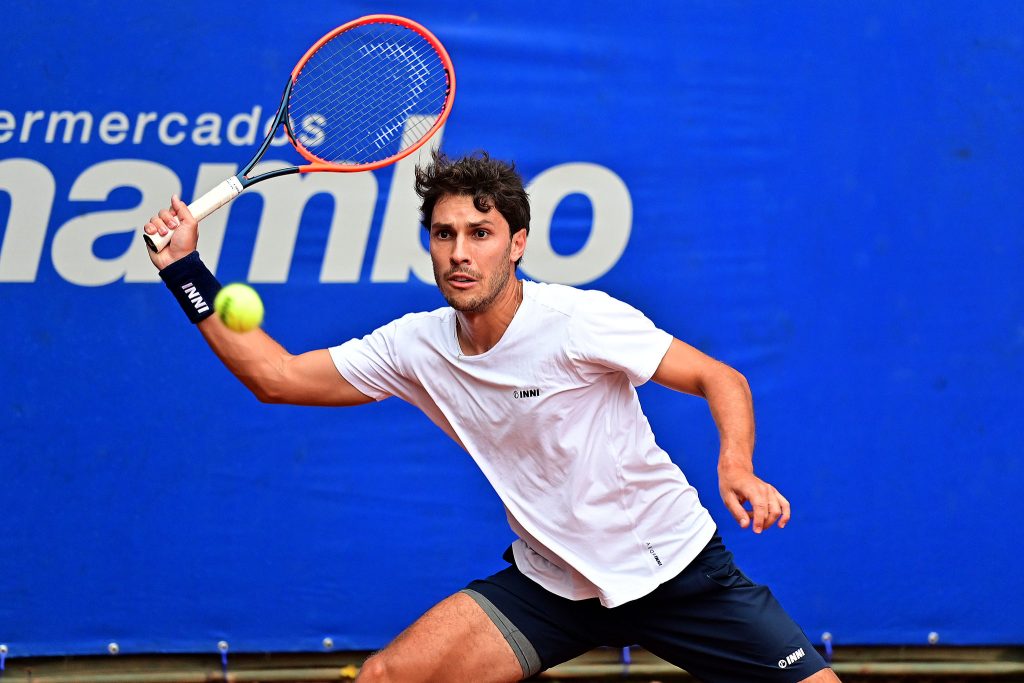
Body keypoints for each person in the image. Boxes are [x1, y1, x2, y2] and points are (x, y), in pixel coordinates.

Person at [144, 151, 840, 683]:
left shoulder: (578, 321)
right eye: (445, 234)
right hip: (553, 583)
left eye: (480, 232)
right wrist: (184, 268)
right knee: (387, 677)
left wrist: (735, 463)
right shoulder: (415, 345)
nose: (460, 252)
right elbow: (278, 375)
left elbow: (721, 377)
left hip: (676, 570)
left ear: (517, 243)